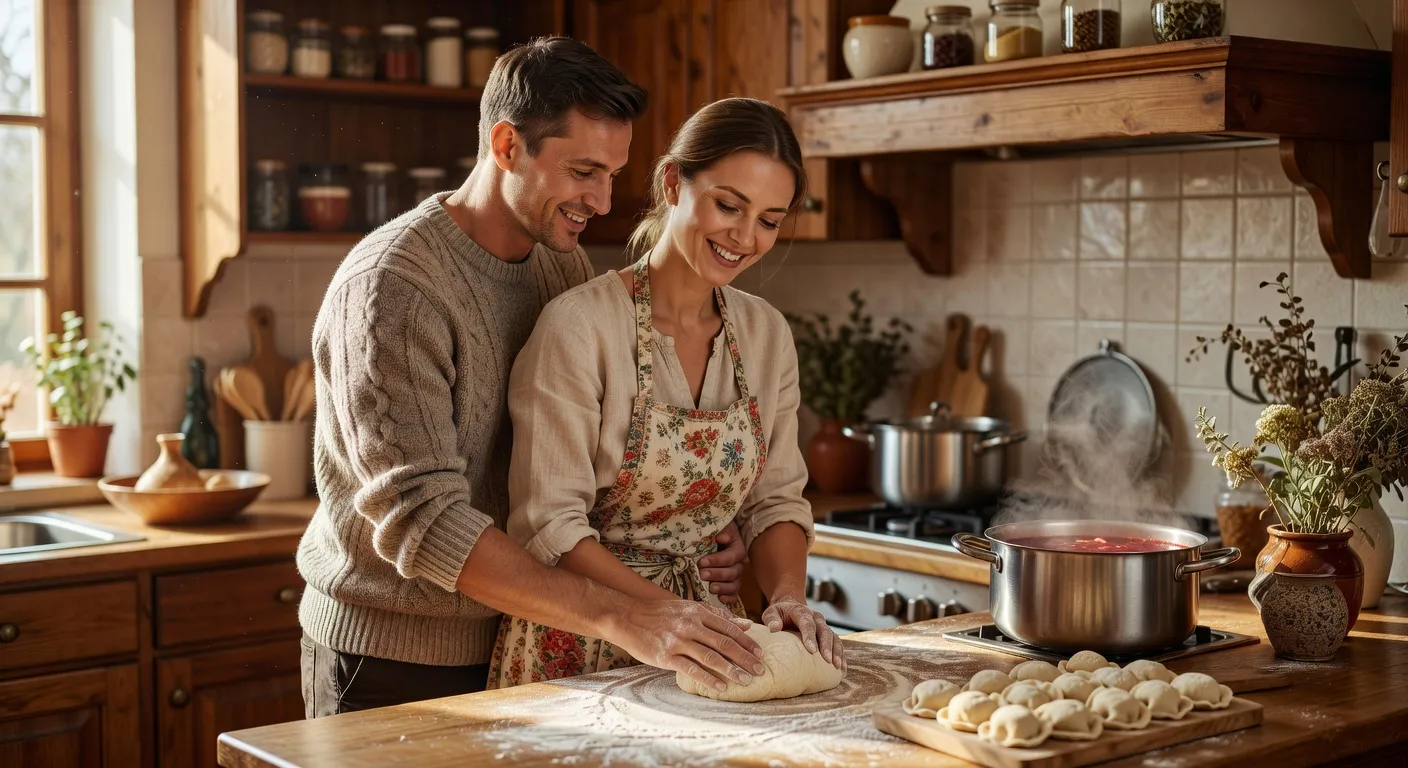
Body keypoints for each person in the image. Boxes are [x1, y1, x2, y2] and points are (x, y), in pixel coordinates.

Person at [296, 38, 766, 718]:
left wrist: (696, 540)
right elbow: (424, 522)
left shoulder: (560, 268)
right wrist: (622, 618)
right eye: (583, 171)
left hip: (520, 642)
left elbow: (576, 474)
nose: (602, 201)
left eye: (612, 174)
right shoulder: (393, 288)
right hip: (391, 660)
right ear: (508, 145)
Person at [489, 98, 844, 688]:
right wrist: (665, 613)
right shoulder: (579, 327)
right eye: (728, 205)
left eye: (769, 220)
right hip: (582, 642)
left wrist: (787, 598)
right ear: (673, 183)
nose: (745, 237)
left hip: (711, 641)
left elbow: (775, 500)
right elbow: (551, 526)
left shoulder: (766, 335)